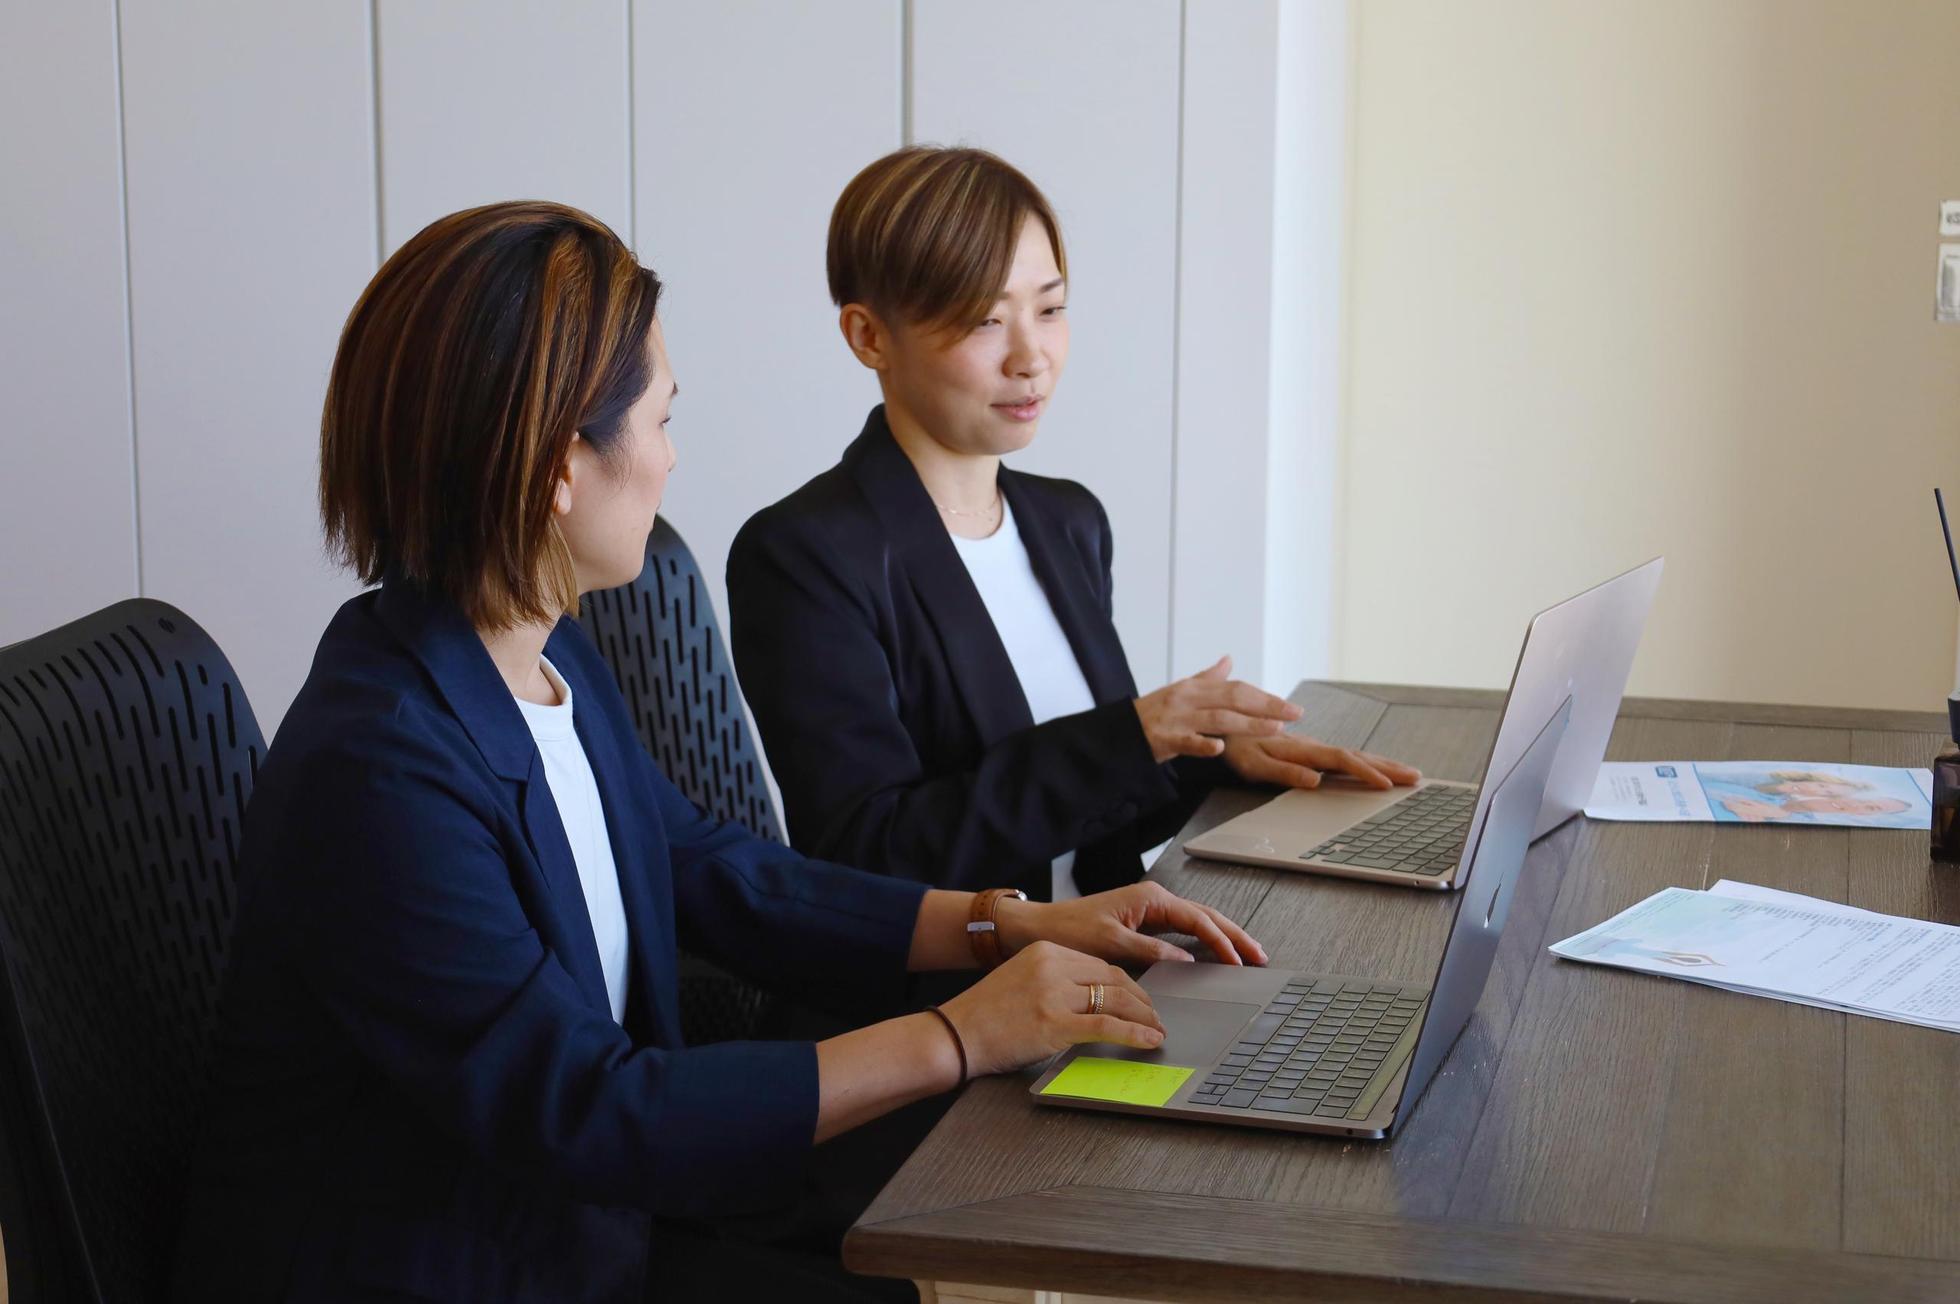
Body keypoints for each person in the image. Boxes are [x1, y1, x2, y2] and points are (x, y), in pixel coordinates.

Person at [169, 200, 1267, 1304]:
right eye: (660, 419)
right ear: (558, 468)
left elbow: (708, 867)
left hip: (580, 1232)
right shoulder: (382, 770)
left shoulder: (543, 654)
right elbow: (591, 1108)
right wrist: (956, 1034)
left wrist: (999, 923)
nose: (670, 457)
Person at [728, 146, 1417, 906]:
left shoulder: (1067, 521)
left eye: (1050, 310)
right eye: (985, 319)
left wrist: (1211, 756)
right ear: (869, 336)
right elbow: (870, 856)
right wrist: (1136, 736)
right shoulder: (804, 555)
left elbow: (1090, 820)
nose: (1032, 358)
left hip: (1116, 948)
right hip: (975, 978)